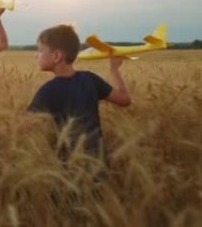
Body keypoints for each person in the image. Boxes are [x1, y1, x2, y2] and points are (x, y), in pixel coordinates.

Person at [26, 24, 131, 166]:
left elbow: (24, 127)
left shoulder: (47, 91)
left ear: (56, 56)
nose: (36, 55)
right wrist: (114, 69)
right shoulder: (90, 79)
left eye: (40, 50)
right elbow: (125, 99)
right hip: (98, 161)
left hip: (68, 168)